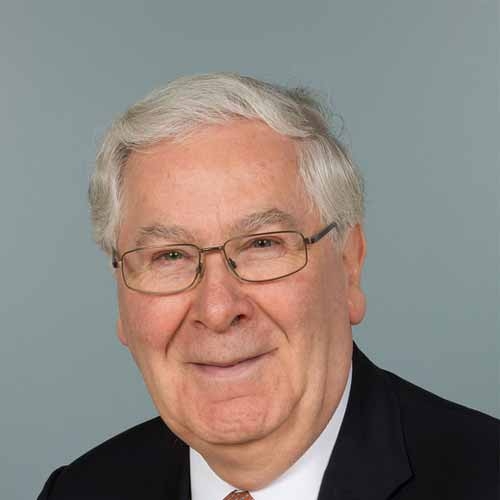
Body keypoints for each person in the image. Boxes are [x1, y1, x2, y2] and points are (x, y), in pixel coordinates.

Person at [38, 73, 498, 500]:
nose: (217, 309)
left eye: (263, 244)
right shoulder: (79, 490)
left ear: (349, 266)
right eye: (170, 256)